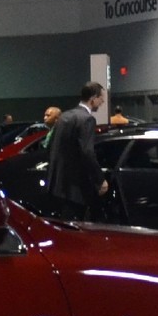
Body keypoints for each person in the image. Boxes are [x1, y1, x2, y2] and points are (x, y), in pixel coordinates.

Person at [50, 81, 108, 220]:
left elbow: (52, 146)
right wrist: (100, 180)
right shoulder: (87, 119)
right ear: (93, 98)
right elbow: (87, 152)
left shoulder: (64, 116)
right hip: (76, 187)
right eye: (101, 98)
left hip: (58, 183)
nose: (103, 102)